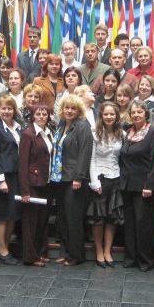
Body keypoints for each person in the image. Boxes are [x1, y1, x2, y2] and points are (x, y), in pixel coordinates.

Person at [119, 100, 154, 272]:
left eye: (140, 112)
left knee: (143, 224)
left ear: (146, 114)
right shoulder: (129, 133)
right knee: (130, 224)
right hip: (127, 186)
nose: (136, 115)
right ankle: (131, 258)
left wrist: (149, 185)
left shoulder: (153, 133)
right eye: (133, 112)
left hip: (144, 187)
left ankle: (146, 260)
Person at [50, 94, 93, 265]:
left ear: (79, 110)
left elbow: (85, 153)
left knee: (73, 219)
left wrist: (79, 177)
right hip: (60, 178)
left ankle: (76, 256)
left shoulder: (83, 127)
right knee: (63, 218)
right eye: (67, 107)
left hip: (74, 179)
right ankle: (65, 252)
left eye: (73, 108)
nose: (69, 111)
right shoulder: (61, 125)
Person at [88, 102, 125, 268]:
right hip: (100, 179)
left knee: (111, 218)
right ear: (101, 116)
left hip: (115, 178)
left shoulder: (122, 134)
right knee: (98, 218)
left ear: (116, 116)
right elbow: (92, 160)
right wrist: (94, 182)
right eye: (106, 114)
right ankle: (99, 250)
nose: (109, 117)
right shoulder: (94, 134)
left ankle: (108, 250)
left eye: (112, 114)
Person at [0, 96, 22, 265]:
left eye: (9, 108)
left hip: (16, 175)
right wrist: (0, 180)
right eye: (3, 108)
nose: (7, 111)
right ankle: (2, 250)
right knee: (3, 215)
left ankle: (6, 248)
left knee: (13, 214)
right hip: (4, 177)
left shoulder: (18, 127)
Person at [19, 104, 53, 267]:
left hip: (46, 182)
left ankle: (41, 252)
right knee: (31, 222)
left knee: (42, 220)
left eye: (44, 114)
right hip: (32, 183)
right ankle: (30, 256)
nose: (41, 117)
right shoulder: (28, 134)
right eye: (38, 114)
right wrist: (25, 190)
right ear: (32, 116)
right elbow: (23, 164)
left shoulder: (49, 133)